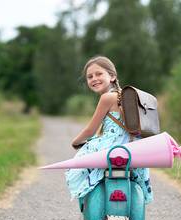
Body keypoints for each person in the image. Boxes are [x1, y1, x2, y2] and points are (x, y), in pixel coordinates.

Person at [65, 56, 153, 204]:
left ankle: (88, 200)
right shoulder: (121, 97)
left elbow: (90, 130)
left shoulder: (106, 98)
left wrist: (75, 142)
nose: (94, 79)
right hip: (133, 147)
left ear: (112, 76)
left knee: (76, 168)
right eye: (90, 76)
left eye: (99, 74)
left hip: (112, 147)